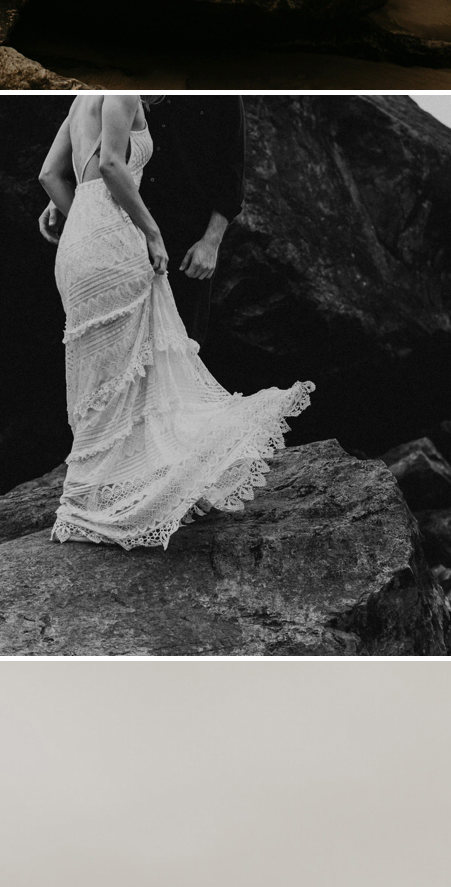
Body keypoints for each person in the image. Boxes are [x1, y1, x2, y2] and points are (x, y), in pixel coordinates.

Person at [38, 94, 313, 551]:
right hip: (130, 238)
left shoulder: (90, 99)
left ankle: (112, 492)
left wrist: (210, 241)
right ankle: (143, 492)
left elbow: (51, 174)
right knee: (152, 364)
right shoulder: (125, 96)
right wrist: (145, 231)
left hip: (92, 246)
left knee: (104, 372)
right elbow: (109, 164)